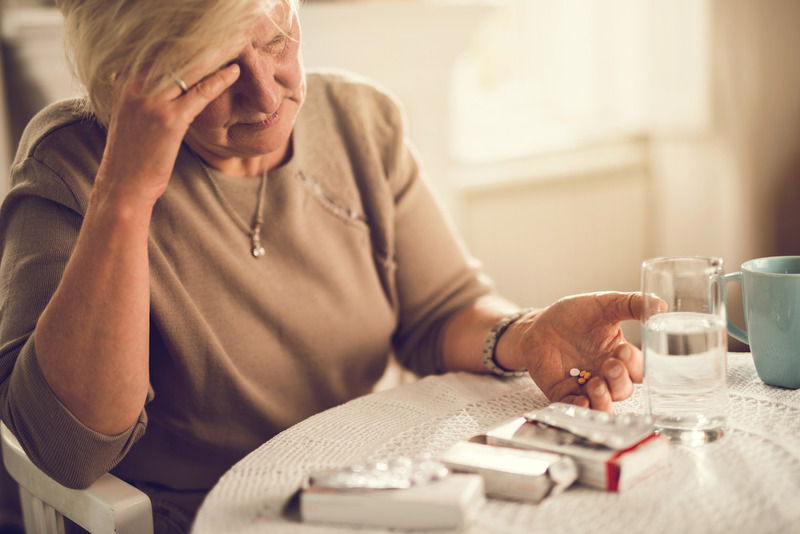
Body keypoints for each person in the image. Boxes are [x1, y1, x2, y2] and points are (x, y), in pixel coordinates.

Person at [0, 0, 647, 531]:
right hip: (201, 516)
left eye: (276, 38)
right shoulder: (72, 166)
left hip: (366, 490)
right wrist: (126, 197)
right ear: (130, 82)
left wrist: (528, 333)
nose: (264, 94)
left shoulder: (358, 120)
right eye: (214, 73)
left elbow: (440, 311)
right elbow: (68, 447)